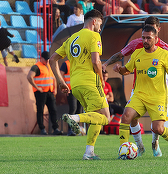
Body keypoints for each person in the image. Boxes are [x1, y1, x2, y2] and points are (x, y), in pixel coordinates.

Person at [113, 25, 168, 158]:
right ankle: (123, 151)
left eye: (148, 38)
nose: (145, 41)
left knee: (158, 128)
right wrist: (120, 69)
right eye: (143, 38)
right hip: (139, 95)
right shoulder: (137, 53)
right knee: (126, 116)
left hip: (157, 97)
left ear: (156, 38)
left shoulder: (164, 54)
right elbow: (127, 70)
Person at [102, 16, 168, 157]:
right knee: (130, 116)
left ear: (158, 30)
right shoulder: (136, 44)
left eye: (152, 29)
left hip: (156, 92)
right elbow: (120, 54)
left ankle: (155, 143)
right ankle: (139, 146)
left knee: (157, 125)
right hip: (138, 89)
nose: (146, 39)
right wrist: (106, 64)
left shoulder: (165, 49)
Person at [49, 9, 111, 160]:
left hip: (75, 85)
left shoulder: (71, 39)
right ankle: (75, 118)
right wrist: (101, 79)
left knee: (95, 116)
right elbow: (96, 61)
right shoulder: (94, 35)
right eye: (100, 24)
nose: (100, 28)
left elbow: (52, 59)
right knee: (106, 118)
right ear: (94, 21)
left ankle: (89, 153)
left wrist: (61, 81)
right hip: (91, 82)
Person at [27, 51, 63, 135]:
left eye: (48, 59)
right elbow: (29, 77)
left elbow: (53, 78)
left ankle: (55, 128)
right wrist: (37, 88)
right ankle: (42, 129)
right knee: (40, 110)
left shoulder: (49, 66)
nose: (47, 61)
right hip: (41, 93)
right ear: (41, 58)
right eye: (46, 60)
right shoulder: (37, 66)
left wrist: (55, 89)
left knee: (53, 110)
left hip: (50, 92)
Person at [60, 60, 83, 136]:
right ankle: (70, 130)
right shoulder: (66, 64)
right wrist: (64, 87)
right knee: (73, 108)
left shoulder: (80, 62)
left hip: (80, 90)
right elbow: (61, 75)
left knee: (79, 110)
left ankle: (76, 129)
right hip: (71, 90)